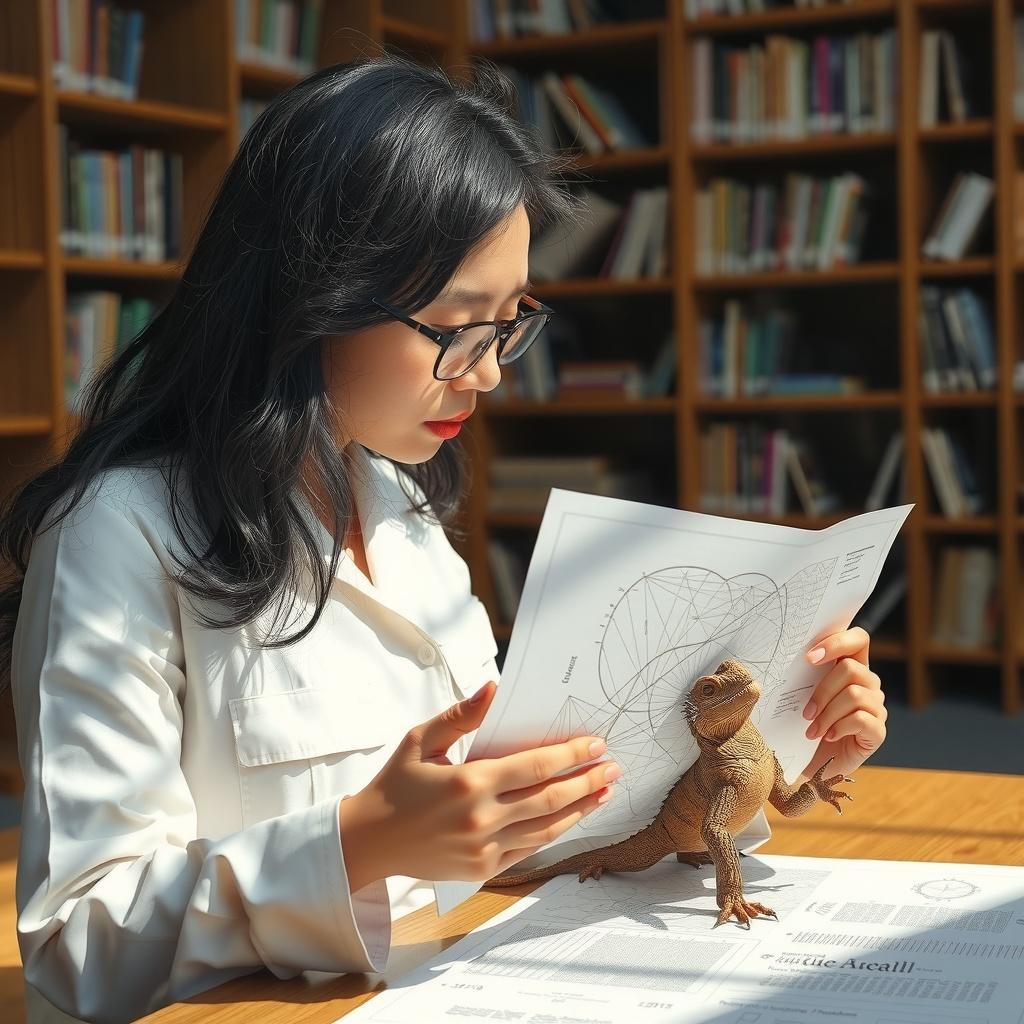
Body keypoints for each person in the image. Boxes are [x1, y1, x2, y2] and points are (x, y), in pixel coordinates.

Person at [0, 54, 888, 1024]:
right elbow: (77, 946)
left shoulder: (401, 507)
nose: (490, 372)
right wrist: (355, 846)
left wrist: (779, 753)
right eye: (459, 326)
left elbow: (524, 837)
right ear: (316, 292)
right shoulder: (115, 535)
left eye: (508, 324)